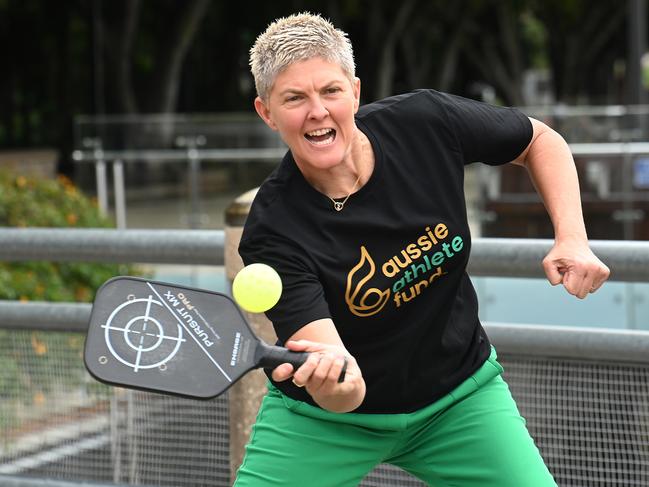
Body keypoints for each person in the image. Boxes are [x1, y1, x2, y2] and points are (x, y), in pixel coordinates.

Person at [234, 12, 610, 487]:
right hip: (327, 424)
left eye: (330, 91)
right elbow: (344, 391)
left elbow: (539, 140)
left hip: (460, 400)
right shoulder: (272, 230)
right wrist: (335, 381)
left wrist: (572, 237)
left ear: (354, 91)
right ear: (267, 112)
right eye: (294, 99)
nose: (317, 111)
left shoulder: (425, 123)